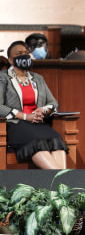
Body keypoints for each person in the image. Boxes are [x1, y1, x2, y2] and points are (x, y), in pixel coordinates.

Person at [0, 41, 68, 169]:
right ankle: (62, 183)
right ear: (10, 59)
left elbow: (53, 103)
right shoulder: (3, 78)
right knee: (38, 143)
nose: (24, 56)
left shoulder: (38, 78)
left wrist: (43, 109)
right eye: (19, 54)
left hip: (38, 124)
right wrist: (25, 116)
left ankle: (61, 182)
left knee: (56, 139)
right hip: (15, 124)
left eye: (26, 53)